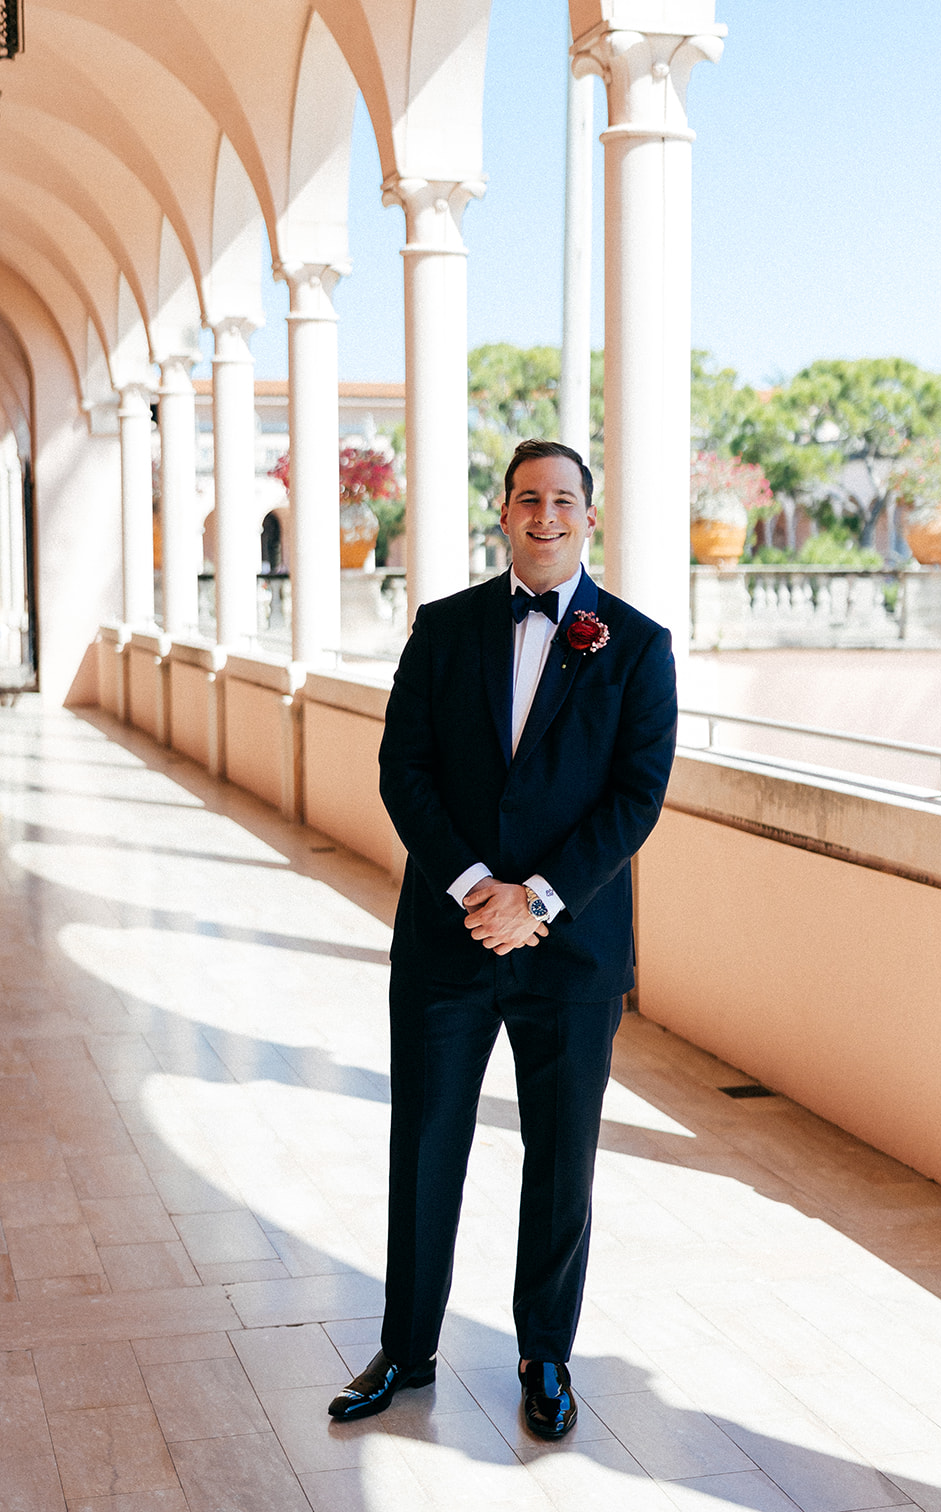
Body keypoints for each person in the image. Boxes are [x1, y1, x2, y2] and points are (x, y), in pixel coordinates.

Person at [328, 439, 677, 1440]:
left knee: (560, 1160)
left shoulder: (638, 647)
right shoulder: (442, 630)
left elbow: (634, 798)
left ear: (586, 516)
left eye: (562, 498)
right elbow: (405, 768)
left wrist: (540, 900)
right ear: (503, 512)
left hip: (568, 955)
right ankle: (405, 1346)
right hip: (448, 937)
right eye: (528, 497)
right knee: (425, 1144)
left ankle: (545, 1355)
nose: (544, 513)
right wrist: (480, 887)